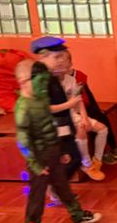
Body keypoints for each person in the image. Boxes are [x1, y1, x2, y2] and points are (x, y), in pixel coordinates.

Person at [14, 60, 101, 223]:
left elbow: (51, 128)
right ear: (23, 82)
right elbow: (23, 140)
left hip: (53, 153)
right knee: (37, 195)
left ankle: (77, 215)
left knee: (63, 187)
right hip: (39, 158)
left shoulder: (41, 101)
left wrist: (61, 150)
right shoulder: (23, 108)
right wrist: (36, 165)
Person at [51, 46, 109, 181]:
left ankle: (97, 161)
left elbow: (78, 101)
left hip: (72, 114)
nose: (62, 64)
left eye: (65, 61)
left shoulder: (71, 80)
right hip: (57, 120)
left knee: (102, 129)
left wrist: (84, 117)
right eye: (58, 60)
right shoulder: (49, 84)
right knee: (80, 131)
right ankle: (87, 165)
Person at [31, 37, 83, 182]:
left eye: (63, 57)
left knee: (74, 159)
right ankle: (52, 188)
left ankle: (56, 188)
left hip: (62, 127)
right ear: (43, 57)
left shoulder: (52, 76)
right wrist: (70, 103)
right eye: (57, 57)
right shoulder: (40, 79)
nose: (61, 61)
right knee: (65, 161)